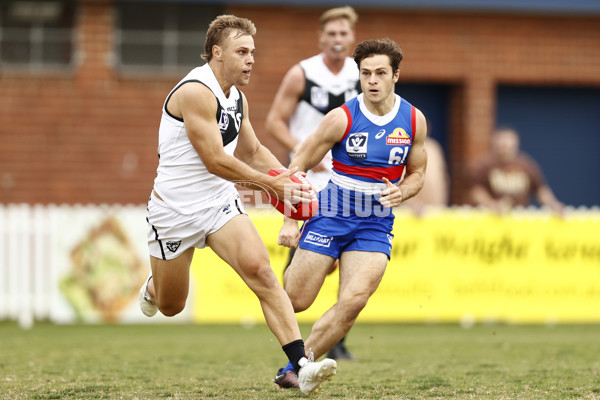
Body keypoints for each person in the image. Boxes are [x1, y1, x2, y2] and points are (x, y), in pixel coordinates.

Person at [139, 15, 337, 396]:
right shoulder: (197, 91)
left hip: (218, 203)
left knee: (261, 272)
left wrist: (289, 178)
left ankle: (301, 366)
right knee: (170, 306)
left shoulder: (237, 97)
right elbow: (215, 159)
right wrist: (271, 185)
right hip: (175, 213)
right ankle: (152, 288)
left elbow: (252, 150)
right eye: (242, 52)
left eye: (253, 52)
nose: (250, 60)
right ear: (217, 53)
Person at [274, 38, 428, 389]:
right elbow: (297, 163)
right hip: (332, 211)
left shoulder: (413, 120)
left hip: (375, 223)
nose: (372, 80)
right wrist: (289, 219)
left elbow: (418, 174)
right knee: (295, 299)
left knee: (354, 300)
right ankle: (327, 258)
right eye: (365, 73)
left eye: (380, 73)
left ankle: (295, 368)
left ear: (395, 76)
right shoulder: (341, 118)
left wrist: (402, 191)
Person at [265, 6, 360, 365]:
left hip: (348, 181)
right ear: (321, 38)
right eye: (330, 34)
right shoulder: (302, 73)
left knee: (352, 261)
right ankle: (289, 337)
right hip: (307, 179)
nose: (337, 40)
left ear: (352, 38)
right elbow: (274, 121)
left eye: (343, 34)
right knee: (299, 265)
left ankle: (338, 340)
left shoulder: (360, 74)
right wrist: (302, 151)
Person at [468, 127, 564, 214]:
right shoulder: (484, 165)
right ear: (494, 144)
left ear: (515, 145)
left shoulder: (526, 164)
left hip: (519, 217)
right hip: (492, 217)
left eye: (508, 145)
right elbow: (475, 190)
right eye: (501, 145)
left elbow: (540, 189)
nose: (504, 149)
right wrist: (490, 204)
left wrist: (553, 204)